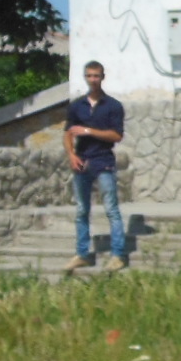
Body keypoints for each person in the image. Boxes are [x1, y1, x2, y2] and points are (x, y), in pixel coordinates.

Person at [64, 61, 127, 272]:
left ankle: (118, 255)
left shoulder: (113, 106)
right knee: (82, 210)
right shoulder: (77, 105)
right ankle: (82, 254)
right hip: (81, 162)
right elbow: (68, 132)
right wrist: (71, 154)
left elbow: (116, 135)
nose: (93, 80)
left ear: (103, 77)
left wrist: (89, 131)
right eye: (90, 76)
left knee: (111, 210)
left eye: (96, 76)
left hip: (103, 161)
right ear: (85, 77)